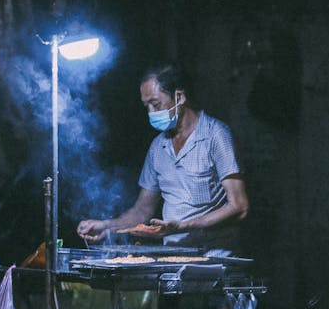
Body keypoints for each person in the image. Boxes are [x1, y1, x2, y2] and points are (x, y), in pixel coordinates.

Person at [77, 62, 249, 253]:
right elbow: (142, 211)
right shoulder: (158, 147)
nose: (151, 112)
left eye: (155, 104)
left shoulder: (216, 135)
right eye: (146, 106)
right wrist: (107, 227)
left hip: (215, 259)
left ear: (180, 97)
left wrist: (183, 226)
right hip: (173, 259)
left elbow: (239, 207)